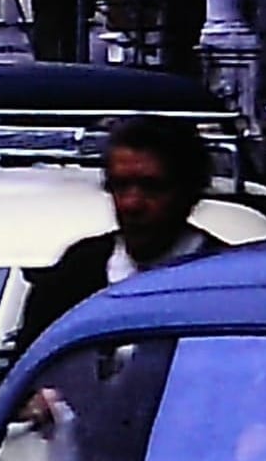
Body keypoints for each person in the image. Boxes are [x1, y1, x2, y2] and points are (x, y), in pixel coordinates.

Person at [16, 114, 225, 358]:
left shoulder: (225, 279)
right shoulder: (74, 274)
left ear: (189, 191)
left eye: (152, 187)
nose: (131, 203)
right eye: (121, 185)